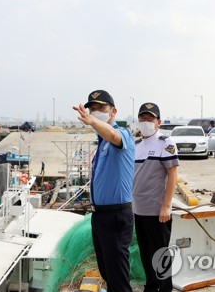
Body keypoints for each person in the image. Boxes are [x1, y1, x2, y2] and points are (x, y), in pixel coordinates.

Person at [73, 90, 135, 292]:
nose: (96, 112)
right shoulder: (101, 143)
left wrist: (92, 121)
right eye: (92, 109)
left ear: (113, 111)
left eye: (102, 108)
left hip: (116, 216)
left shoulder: (121, 136)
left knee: (118, 278)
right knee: (107, 272)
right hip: (99, 216)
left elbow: (113, 134)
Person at [133, 102, 179, 292]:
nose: (145, 121)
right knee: (145, 252)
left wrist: (166, 206)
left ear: (158, 122)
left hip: (157, 211)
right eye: (142, 118)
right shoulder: (136, 145)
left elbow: (172, 175)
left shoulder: (166, 143)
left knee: (160, 254)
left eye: (150, 118)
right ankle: (151, 286)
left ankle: (165, 288)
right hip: (138, 209)